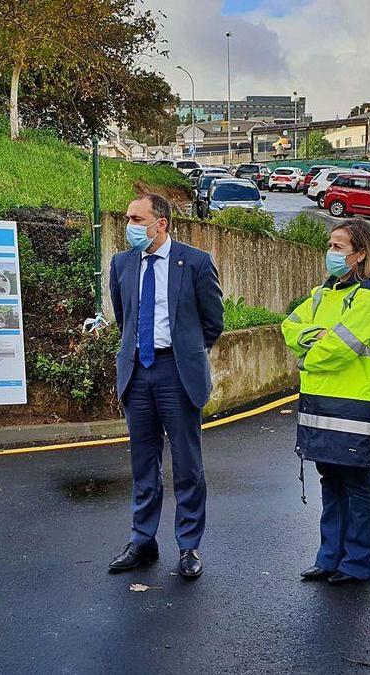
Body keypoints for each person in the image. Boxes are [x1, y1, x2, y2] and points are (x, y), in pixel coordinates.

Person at [281, 219, 370, 584]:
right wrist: (313, 336)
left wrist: (305, 353)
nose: (331, 253)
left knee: (355, 481)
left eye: (338, 247)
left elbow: (338, 349)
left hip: (355, 405)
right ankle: (329, 556)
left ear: (360, 254)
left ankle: (358, 563)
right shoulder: (323, 294)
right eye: (331, 245)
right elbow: (289, 325)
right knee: (329, 477)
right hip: (319, 402)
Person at [107, 193, 224, 579]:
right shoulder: (122, 263)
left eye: (137, 219)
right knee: (143, 463)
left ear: (162, 224)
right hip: (137, 373)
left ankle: (188, 546)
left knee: (187, 465)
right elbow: (124, 318)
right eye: (128, 218)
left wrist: (186, 353)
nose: (130, 226)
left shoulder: (195, 262)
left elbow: (213, 322)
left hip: (178, 372)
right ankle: (143, 539)